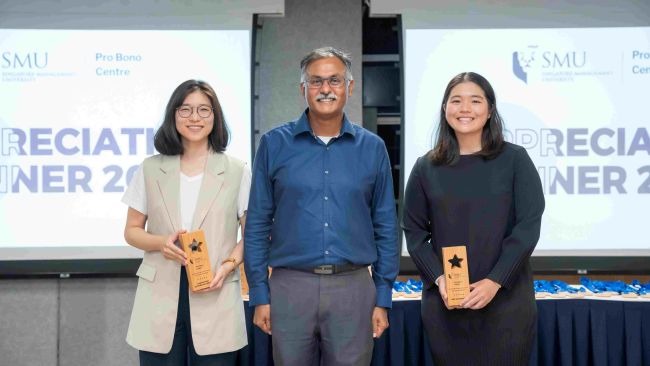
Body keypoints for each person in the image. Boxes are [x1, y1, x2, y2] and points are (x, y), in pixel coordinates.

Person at [244, 47, 399, 366]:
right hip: (290, 287)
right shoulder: (274, 144)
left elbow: (386, 225)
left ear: (350, 87)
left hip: (353, 288)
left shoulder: (373, 148)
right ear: (303, 89)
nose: (325, 89)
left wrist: (382, 295)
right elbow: (257, 224)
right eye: (316, 81)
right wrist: (260, 293)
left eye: (335, 80)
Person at [402, 72, 545, 365]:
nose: (465, 108)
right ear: (445, 109)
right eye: (456, 101)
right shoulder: (425, 167)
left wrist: (495, 281)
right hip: (447, 305)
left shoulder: (515, 160)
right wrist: (438, 277)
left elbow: (528, 227)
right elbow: (414, 231)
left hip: (506, 303)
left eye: (475, 100)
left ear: (490, 109)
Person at [122, 79, 250, 365]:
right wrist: (160, 243)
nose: (195, 118)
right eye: (186, 110)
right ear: (173, 115)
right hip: (160, 293)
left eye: (204, 110)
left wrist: (228, 266)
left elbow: (251, 235)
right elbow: (131, 231)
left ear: (215, 117)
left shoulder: (236, 171)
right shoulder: (150, 168)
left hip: (215, 288)